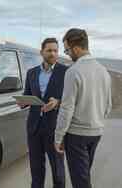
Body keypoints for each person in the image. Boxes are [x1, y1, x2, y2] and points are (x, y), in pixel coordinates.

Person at [54, 28, 112, 188]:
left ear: (76, 48)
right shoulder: (104, 71)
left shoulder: (73, 71)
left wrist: (58, 137)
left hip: (76, 136)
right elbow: (108, 106)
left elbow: (66, 109)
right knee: (84, 176)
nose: (67, 54)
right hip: (96, 133)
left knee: (81, 182)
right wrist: (96, 121)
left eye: (67, 50)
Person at [17, 38, 68, 188]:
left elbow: (72, 99)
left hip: (55, 128)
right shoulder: (31, 73)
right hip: (34, 128)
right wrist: (23, 102)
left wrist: (57, 102)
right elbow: (27, 95)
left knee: (58, 170)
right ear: (42, 52)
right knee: (36, 169)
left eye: (55, 50)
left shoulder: (66, 72)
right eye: (49, 50)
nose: (53, 53)